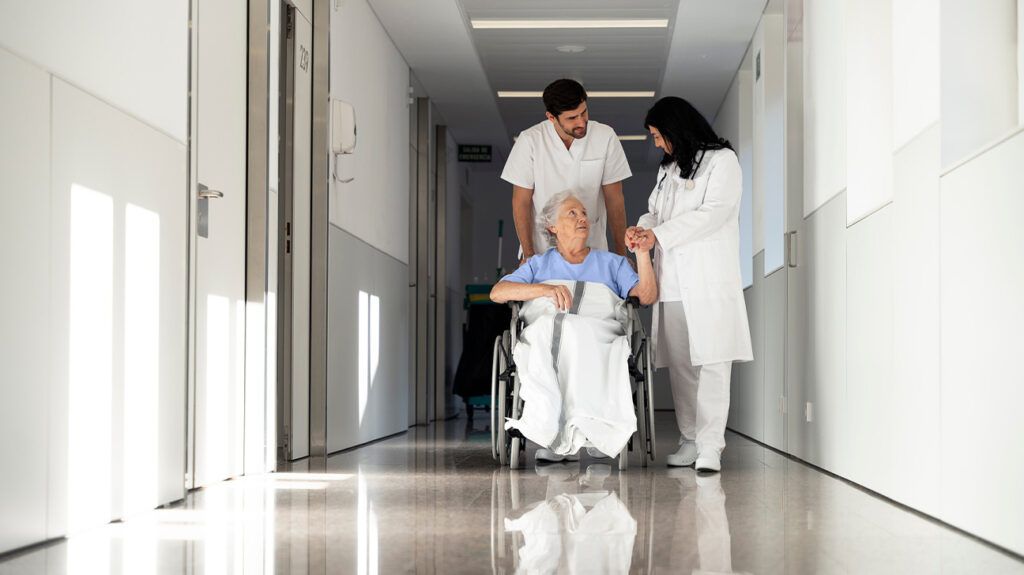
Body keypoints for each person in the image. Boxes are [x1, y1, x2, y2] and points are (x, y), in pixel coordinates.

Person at [627, 97, 753, 473]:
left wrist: (658, 235)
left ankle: (711, 446)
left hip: (709, 280)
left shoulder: (723, 162)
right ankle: (690, 439)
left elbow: (714, 213)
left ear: (675, 129)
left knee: (713, 362)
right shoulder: (667, 169)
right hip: (674, 282)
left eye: (657, 135)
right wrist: (643, 227)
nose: (656, 144)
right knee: (682, 365)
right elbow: (655, 210)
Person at [491, 191, 657, 462]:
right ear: (552, 227)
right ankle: (556, 427)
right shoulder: (538, 265)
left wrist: (642, 254)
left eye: (583, 214)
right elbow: (497, 293)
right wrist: (544, 289)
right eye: (573, 213)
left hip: (598, 334)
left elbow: (647, 296)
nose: (582, 218)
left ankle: (582, 426)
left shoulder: (612, 263)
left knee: (578, 332)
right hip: (545, 333)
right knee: (553, 329)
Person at [501, 79, 632, 263]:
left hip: (592, 248)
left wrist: (621, 255)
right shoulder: (530, 141)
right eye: (572, 118)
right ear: (551, 117)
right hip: (542, 250)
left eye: (583, 112)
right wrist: (529, 255)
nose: (581, 122)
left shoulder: (605, 136)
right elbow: (521, 202)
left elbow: (615, 200)